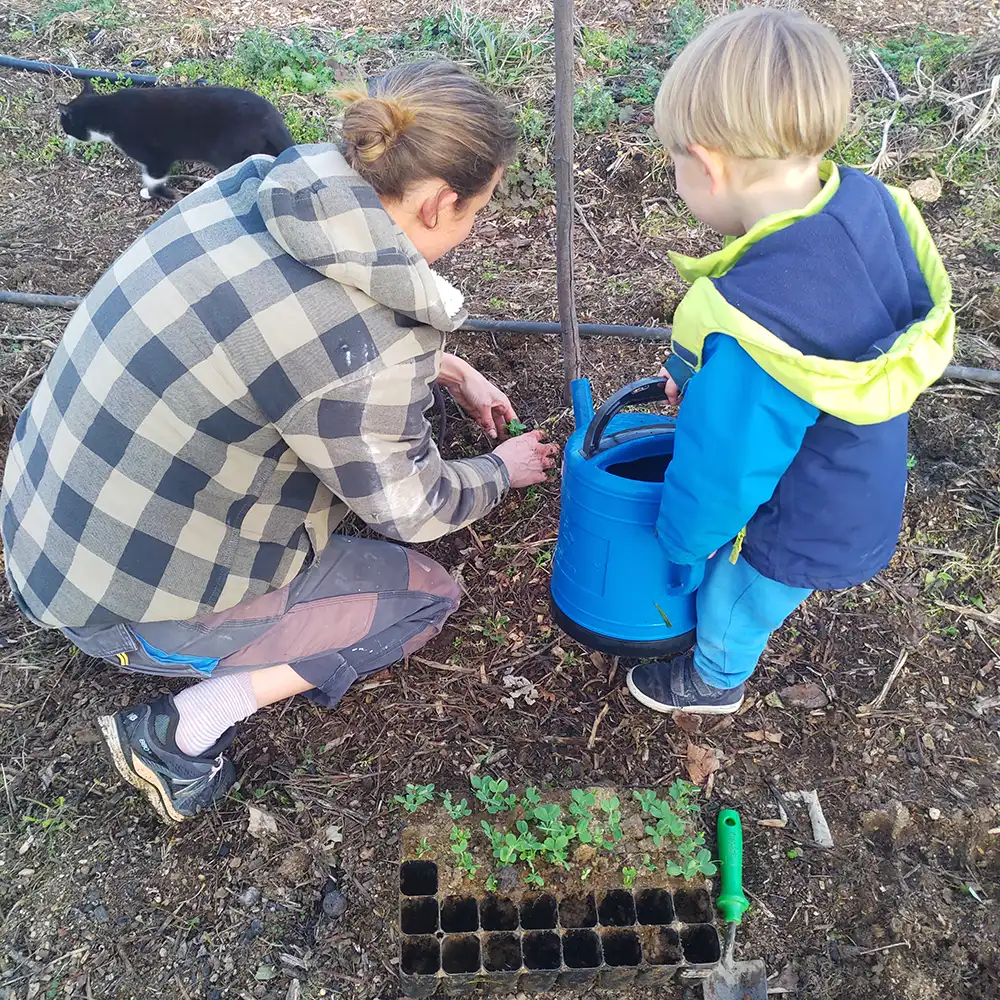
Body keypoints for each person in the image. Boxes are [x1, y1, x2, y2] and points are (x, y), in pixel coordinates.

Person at [1, 60, 558, 822]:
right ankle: (177, 731)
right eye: (476, 213)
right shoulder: (367, 347)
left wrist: (445, 366)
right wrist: (500, 468)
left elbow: (274, 340)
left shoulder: (255, 188)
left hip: (43, 526)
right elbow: (415, 507)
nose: (472, 231)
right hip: (113, 607)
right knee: (424, 598)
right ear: (436, 203)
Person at [625, 9, 954, 715]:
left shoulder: (756, 330)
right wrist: (691, 374)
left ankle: (714, 678)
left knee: (735, 598)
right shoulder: (867, 207)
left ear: (708, 164)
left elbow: (724, 468)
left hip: (794, 519)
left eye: (675, 166)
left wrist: (682, 541)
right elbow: (826, 323)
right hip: (856, 472)